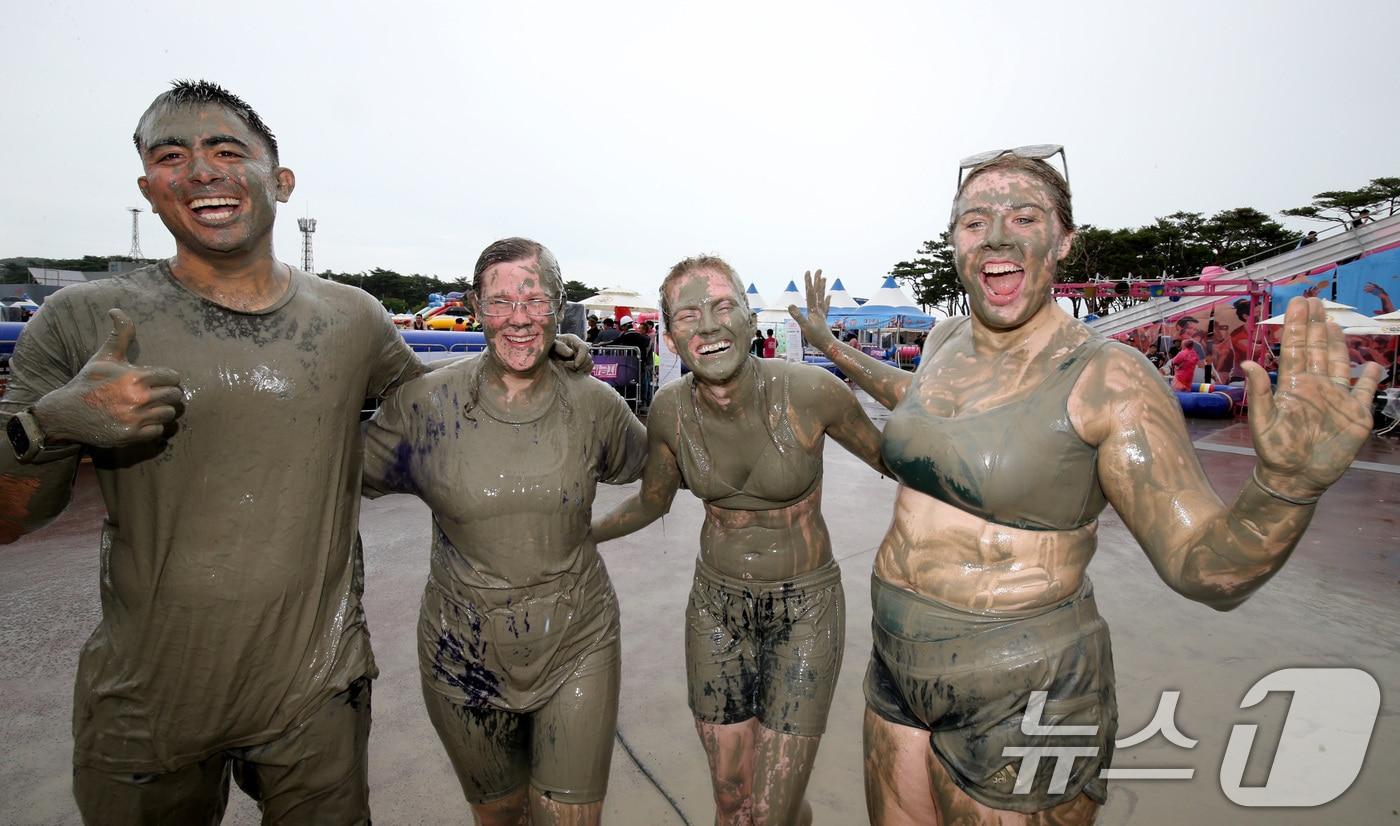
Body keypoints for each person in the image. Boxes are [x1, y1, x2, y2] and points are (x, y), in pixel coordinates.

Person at [0, 81, 591, 825]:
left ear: (279, 182)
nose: (203, 171)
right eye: (171, 155)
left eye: (226, 150)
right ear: (150, 189)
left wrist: (533, 355)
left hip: (316, 690)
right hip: (145, 697)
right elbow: (9, 520)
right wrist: (52, 426)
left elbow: (449, 411)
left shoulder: (350, 317)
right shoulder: (81, 319)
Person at [790, 147, 1381, 825]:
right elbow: (921, 406)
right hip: (897, 666)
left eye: (1024, 216)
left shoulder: (1108, 378)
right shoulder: (944, 341)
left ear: (1063, 241)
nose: (999, 236)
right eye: (975, 221)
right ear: (954, 242)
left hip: (1025, 683)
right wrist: (830, 346)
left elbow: (1204, 567)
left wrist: (1284, 490)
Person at [593, 255, 888, 826]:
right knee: (732, 799)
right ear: (671, 336)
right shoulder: (669, 411)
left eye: (723, 307)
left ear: (753, 321)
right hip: (716, 609)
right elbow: (653, 500)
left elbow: (898, 459)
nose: (708, 325)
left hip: (805, 607)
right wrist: (585, 535)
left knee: (772, 810)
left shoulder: (810, 392)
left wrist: (834, 347)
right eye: (688, 315)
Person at [363, 238, 646, 826]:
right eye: (499, 302)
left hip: (577, 642)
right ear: (476, 307)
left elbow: (669, 463)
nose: (518, 317)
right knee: (501, 817)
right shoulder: (426, 405)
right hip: (459, 651)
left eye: (534, 299)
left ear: (558, 306)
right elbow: (322, 477)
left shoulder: (595, 404)